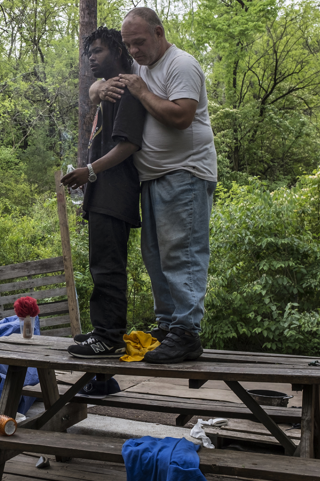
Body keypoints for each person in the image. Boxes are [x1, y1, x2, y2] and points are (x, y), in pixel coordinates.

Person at [90, 7, 218, 364]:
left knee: (182, 253)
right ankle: (167, 326)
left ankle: (186, 332)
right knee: (155, 257)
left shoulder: (181, 65)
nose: (134, 50)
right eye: (128, 45)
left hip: (185, 172)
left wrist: (141, 91)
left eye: (140, 42)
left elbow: (181, 117)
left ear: (159, 33)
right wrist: (98, 87)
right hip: (153, 177)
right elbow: (99, 85)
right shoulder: (141, 67)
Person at [61, 27, 146, 358]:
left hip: (117, 192)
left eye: (98, 51)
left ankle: (110, 337)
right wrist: (87, 175)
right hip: (102, 193)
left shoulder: (127, 90)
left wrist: (90, 170)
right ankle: (102, 330)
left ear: (118, 52)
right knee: (100, 265)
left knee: (109, 267)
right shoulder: (107, 93)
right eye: (89, 53)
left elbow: (128, 145)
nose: (91, 58)